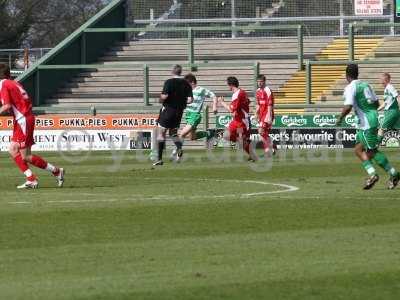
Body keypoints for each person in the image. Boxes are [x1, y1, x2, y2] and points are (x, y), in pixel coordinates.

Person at [0, 63, 64, 189]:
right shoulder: (14, 83)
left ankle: (55, 171)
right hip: (23, 119)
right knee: (13, 149)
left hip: (23, 119)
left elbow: (6, 106)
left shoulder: (3, 84)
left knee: (26, 156)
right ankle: (31, 178)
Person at [336, 64, 399, 190]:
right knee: (358, 149)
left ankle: (392, 174)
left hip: (366, 123)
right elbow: (376, 103)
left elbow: (347, 107)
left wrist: (340, 118)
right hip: (368, 121)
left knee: (372, 151)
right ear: (357, 74)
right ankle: (373, 174)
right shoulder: (366, 85)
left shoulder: (350, 87)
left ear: (346, 76)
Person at [154, 65, 193, 166]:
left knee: (161, 134)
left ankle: (159, 159)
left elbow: (164, 96)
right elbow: (190, 100)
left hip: (168, 110)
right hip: (179, 112)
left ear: (172, 72)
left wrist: (160, 99)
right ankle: (179, 148)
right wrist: (180, 101)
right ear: (180, 72)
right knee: (173, 133)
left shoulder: (169, 82)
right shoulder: (186, 83)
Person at [218, 76, 256, 161]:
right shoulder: (242, 92)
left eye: (228, 85)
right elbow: (248, 101)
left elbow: (232, 110)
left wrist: (222, 102)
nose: (228, 87)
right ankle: (247, 145)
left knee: (239, 140)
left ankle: (251, 154)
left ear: (231, 85)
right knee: (226, 135)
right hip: (237, 120)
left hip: (241, 122)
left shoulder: (237, 95)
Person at [176, 73, 217, 143]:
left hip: (195, 115)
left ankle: (177, 152)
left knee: (182, 134)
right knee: (192, 137)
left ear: (192, 82)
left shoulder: (200, 90)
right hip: (188, 115)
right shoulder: (186, 91)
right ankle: (210, 133)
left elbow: (213, 95)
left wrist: (214, 106)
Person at [256, 74, 276, 156]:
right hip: (261, 115)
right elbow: (258, 104)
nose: (259, 83)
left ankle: (267, 150)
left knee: (261, 131)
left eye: (261, 82)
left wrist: (269, 116)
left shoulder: (268, 90)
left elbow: (270, 105)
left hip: (267, 114)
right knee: (262, 132)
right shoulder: (258, 91)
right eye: (258, 82)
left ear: (264, 82)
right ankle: (273, 147)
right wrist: (256, 113)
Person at [377, 73, 400, 145]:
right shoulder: (386, 89)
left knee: (381, 129)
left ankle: (375, 145)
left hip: (391, 112)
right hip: (391, 111)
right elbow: (385, 103)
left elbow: (398, 96)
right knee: (398, 128)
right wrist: (376, 110)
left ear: (385, 80)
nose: (380, 82)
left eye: (381, 80)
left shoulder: (390, 87)